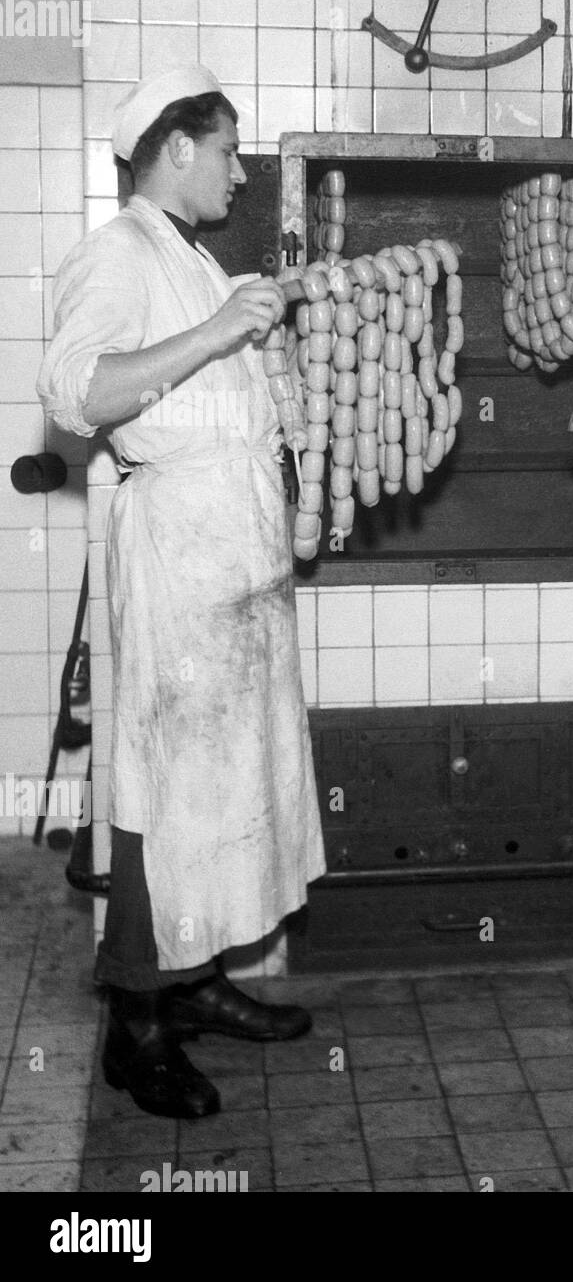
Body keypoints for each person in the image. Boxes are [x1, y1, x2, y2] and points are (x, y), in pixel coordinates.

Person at [38, 65, 326, 1119]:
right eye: (228, 152)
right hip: (176, 565)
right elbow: (79, 392)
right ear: (174, 150)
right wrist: (216, 334)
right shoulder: (113, 255)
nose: (242, 174)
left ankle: (196, 982)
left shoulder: (193, 261)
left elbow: (224, 407)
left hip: (234, 558)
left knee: (229, 785)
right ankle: (136, 1023)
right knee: (165, 790)